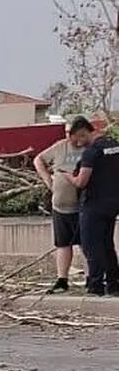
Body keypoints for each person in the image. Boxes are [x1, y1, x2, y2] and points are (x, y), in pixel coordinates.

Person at [34, 122, 89, 292]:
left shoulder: (89, 150)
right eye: (66, 132)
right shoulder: (59, 147)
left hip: (82, 207)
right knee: (63, 244)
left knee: (86, 244)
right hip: (60, 206)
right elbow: (39, 159)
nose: (69, 136)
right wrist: (47, 180)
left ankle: (91, 278)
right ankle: (62, 279)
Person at [70, 117, 119, 295]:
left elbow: (81, 182)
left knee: (92, 246)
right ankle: (114, 284)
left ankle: (96, 286)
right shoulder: (114, 145)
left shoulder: (91, 152)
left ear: (83, 133)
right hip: (113, 203)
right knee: (107, 245)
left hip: (94, 204)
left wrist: (69, 177)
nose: (78, 144)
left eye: (78, 140)